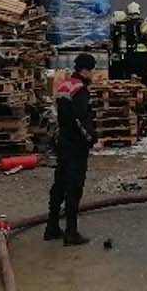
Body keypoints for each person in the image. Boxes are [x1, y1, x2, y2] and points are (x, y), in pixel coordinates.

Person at [45, 52, 97, 246]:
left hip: (63, 142)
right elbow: (80, 118)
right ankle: (71, 232)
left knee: (59, 184)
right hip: (75, 145)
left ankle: (51, 227)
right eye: (92, 70)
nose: (93, 74)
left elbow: (59, 115)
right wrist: (92, 138)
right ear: (85, 70)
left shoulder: (64, 85)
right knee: (74, 187)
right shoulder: (80, 90)